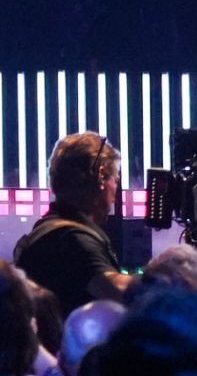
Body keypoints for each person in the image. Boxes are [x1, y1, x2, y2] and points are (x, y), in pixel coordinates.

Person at [13, 133, 130, 314]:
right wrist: (171, 276)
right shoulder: (72, 240)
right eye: (115, 178)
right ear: (100, 176)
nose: (116, 187)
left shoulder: (50, 230)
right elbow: (116, 289)